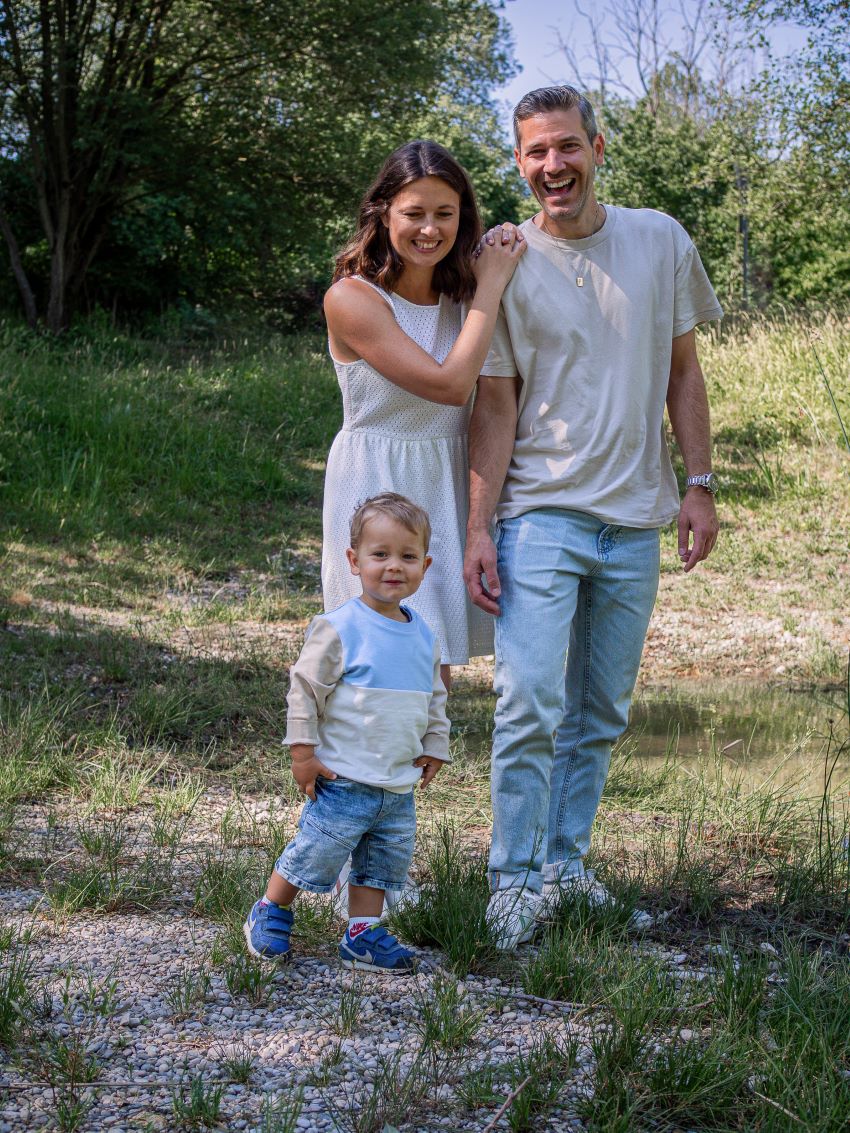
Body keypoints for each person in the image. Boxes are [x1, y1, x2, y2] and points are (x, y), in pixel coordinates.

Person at [463, 86, 724, 950]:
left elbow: (683, 373)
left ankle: (565, 867)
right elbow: (493, 408)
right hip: (541, 515)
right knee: (530, 698)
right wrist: (477, 526)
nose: (553, 166)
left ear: (598, 147)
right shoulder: (503, 261)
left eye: (567, 146)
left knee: (601, 709)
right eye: (536, 152)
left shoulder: (659, 238)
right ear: (518, 162)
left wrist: (700, 482)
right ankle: (511, 879)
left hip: (636, 519)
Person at [322, 139, 525, 691]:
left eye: (445, 214)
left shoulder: (463, 301)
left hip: (446, 477)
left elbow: (495, 396)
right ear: (382, 213)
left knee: (432, 661)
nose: (430, 229)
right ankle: (349, 772)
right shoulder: (353, 298)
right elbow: (452, 385)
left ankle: (403, 772)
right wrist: (492, 285)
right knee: (375, 650)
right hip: (376, 478)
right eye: (413, 213)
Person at [244, 493, 450, 972]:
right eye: (380, 555)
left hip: (396, 783)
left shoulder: (424, 635)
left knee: (382, 860)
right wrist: (303, 754)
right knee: (317, 848)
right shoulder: (339, 628)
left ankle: (362, 933)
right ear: (355, 561)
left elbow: (434, 696)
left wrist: (435, 743)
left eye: (407, 556)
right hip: (342, 777)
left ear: (426, 564)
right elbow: (304, 692)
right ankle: (271, 908)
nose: (393, 566)